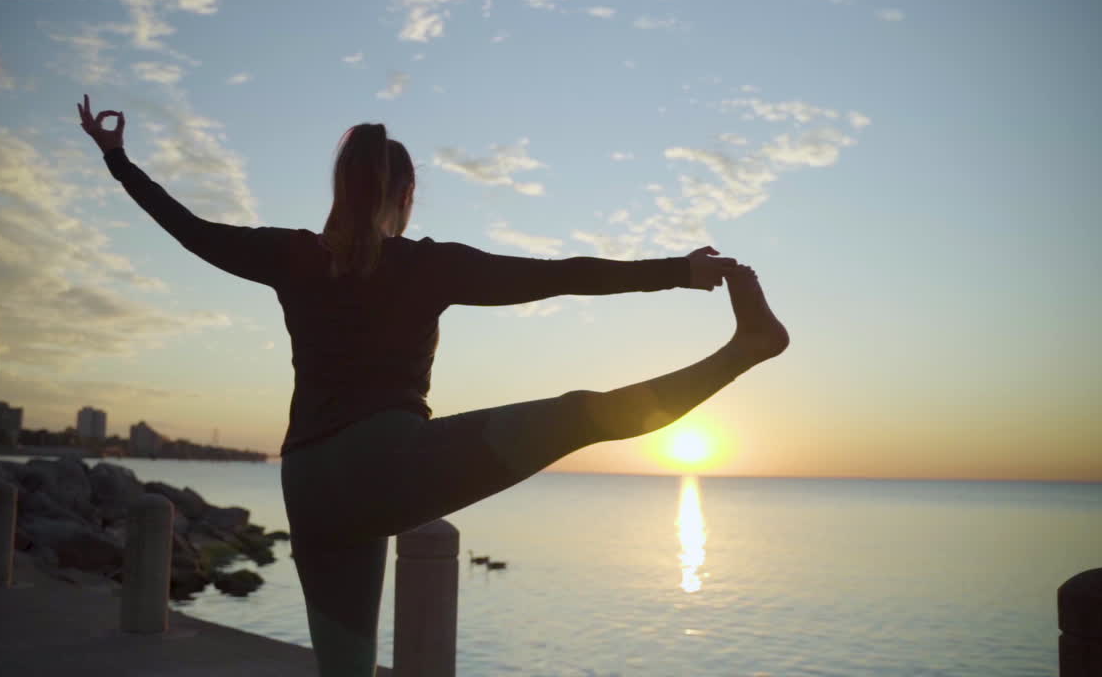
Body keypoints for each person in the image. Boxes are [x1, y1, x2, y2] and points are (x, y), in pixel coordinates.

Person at [79, 95, 788, 675]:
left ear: (342, 186)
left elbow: (187, 228)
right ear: (405, 194)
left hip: (309, 487)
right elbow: (563, 273)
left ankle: (749, 345)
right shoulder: (427, 265)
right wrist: (675, 270)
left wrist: (118, 160)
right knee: (584, 415)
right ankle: (748, 348)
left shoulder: (288, 254)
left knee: (345, 672)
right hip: (385, 463)